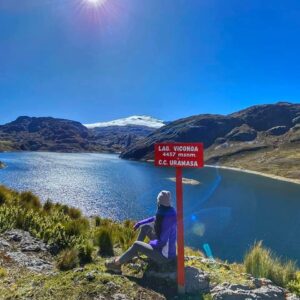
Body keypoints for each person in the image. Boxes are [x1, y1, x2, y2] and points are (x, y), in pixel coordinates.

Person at [105, 190, 177, 273]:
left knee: (136, 244)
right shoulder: (168, 212)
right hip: (165, 249)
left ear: (159, 202)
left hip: (165, 256)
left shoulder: (167, 220)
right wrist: (139, 223)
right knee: (145, 228)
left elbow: (163, 242)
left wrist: (152, 243)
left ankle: (116, 264)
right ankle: (133, 253)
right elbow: (154, 218)